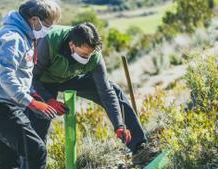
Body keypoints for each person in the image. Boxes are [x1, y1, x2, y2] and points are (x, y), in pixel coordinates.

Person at [32, 22, 158, 164]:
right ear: (72, 44)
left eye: (90, 54)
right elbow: (32, 77)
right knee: (38, 121)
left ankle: (139, 149)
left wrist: (119, 124)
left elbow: (106, 92)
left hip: (72, 77)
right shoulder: (49, 41)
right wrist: (48, 99)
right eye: (84, 54)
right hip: (43, 80)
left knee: (115, 91)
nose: (87, 58)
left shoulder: (94, 55)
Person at [0, 0, 61, 168]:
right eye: (47, 25)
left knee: (8, 163)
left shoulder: (25, 36)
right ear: (35, 20)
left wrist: (35, 95)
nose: (49, 30)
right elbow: (6, 76)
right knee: (37, 151)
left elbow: (21, 75)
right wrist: (31, 102)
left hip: (3, 106)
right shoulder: (12, 38)